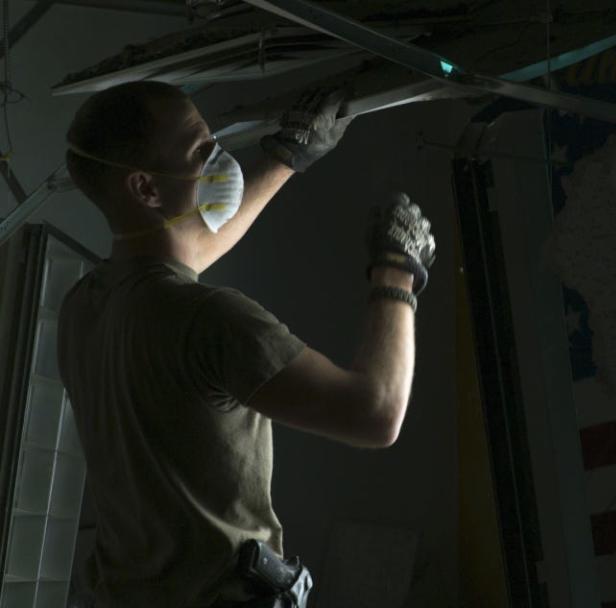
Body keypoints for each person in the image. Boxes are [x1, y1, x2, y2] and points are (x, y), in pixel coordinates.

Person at [56, 80, 437, 608]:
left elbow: (178, 261)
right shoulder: (210, 321)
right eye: (199, 150)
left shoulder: (86, 306)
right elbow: (375, 414)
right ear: (146, 189)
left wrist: (287, 158)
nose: (219, 158)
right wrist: (397, 272)